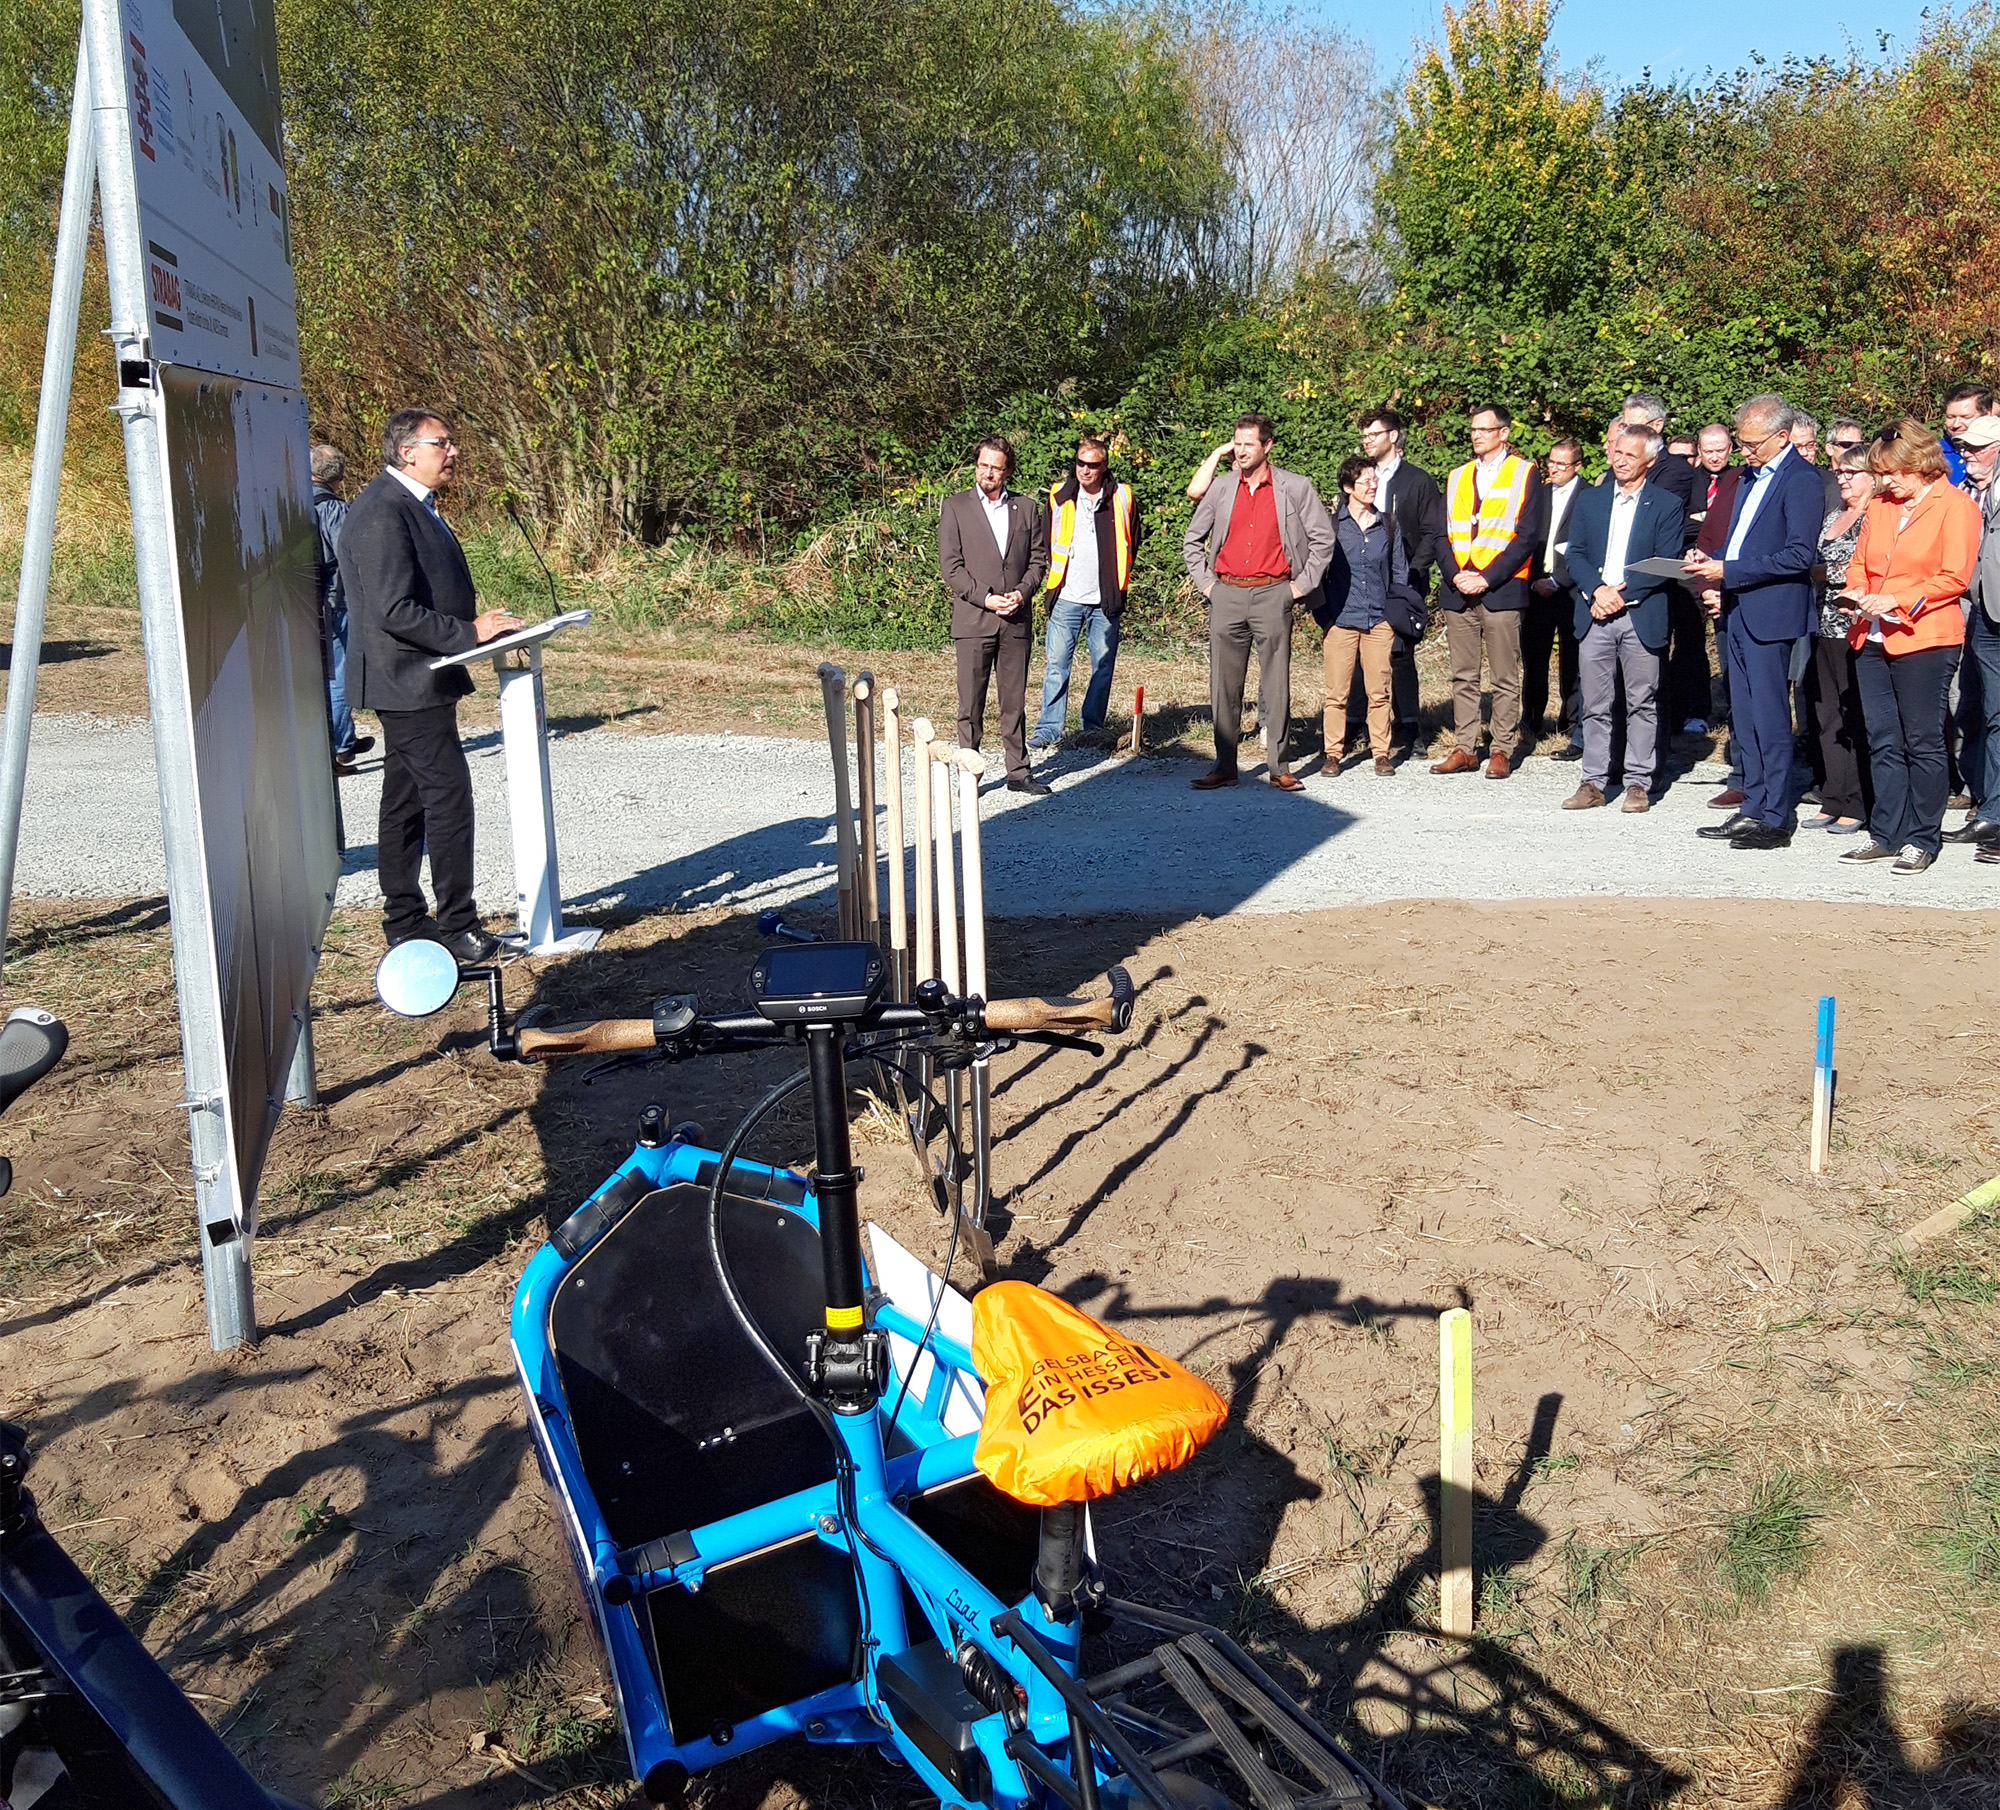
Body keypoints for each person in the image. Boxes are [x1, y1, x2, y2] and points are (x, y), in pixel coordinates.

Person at [339, 408, 524, 964]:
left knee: (407, 799)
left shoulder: (411, 504)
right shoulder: (381, 512)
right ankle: (457, 926)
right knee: (446, 795)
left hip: (423, 677)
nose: (454, 452)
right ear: (407, 452)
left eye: (452, 442)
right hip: (404, 680)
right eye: (442, 443)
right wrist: (469, 633)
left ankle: (403, 918)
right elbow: (393, 609)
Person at [1833, 419, 1980, 874]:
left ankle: (1922, 837)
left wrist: (1895, 597)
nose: (1885, 480)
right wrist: (1856, 592)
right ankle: (1885, 832)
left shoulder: (1955, 507)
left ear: (1920, 463)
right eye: (1880, 472)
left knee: (1922, 741)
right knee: (1882, 740)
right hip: (1871, 633)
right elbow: (1859, 562)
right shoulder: (1879, 506)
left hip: (1925, 636)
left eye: (1893, 471)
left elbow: (1953, 577)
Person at [1685, 394, 1825, 849]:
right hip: (1737, 607)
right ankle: (1753, 806)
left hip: (1772, 612)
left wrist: (1728, 571)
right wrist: (1712, 563)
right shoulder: (1746, 477)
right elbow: (1741, 541)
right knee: (1744, 716)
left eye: (1752, 444)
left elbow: (1799, 555)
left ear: (1782, 437)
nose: (1744, 452)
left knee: (1769, 716)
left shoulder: (1801, 480)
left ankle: (1776, 816)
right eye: (1741, 443)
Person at [1182, 413, 1336, 791]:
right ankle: (1225, 764)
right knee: (1224, 685)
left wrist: (1298, 588)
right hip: (1226, 593)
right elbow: (1191, 541)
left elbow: (1323, 540)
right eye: (1237, 442)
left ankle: (1279, 766)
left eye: (1249, 443)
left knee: (1276, 682)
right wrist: (1208, 586)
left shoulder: (1295, 488)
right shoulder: (1220, 488)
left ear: (1267, 446)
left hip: (1274, 592)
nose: (1242, 449)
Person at [1559, 425, 1686, 812]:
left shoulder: (1666, 504)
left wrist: (1618, 594)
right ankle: (1593, 781)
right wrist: (1597, 590)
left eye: (1630, 455)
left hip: (1640, 615)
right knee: (1595, 703)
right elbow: (1574, 552)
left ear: (1650, 460)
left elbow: (1665, 563)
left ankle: (1638, 783)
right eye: (1616, 452)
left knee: (1641, 701)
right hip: (1594, 612)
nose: (1620, 460)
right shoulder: (1591, 500)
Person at [1433, 404, 1548, 779]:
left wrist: (1486, 577)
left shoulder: (1524, 473)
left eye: (1485, 429)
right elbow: (1441, 534)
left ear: (1504, 433)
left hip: (1501, 589)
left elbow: (1527, 535)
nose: (1477, 435)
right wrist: (1455, 575)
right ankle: (1465, 747)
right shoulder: (1457, 476)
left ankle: (1501, 747)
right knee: (1463, 676)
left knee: (1504, 676)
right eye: (1473, 429)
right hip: (1459, 590)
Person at [939, 436, 1052, 795]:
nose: (988, 473)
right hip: (974, 619)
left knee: (1014, 700)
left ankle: (1018, 772)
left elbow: (1038, 560)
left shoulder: (1027, 508)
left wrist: (1022, 592)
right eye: (983, 465)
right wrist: (986, 599)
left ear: (1008, 471)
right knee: (970, 702)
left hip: (1016, 620)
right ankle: (969, 774)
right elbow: (951, 567)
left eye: (996, 467)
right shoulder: (955, 507)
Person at [1032, 434, 1137, 752]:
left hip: (1105, 600)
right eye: (1081, 463)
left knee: (1102, 667)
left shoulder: (1122, 497)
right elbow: (1046, 539)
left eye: (1092, 465)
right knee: (1056, 664)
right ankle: (1048, 730)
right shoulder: (1058, 495)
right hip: (1066, 596)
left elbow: (1134, 538)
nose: (1085, 470)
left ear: (1104, 466)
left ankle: (1092, 728)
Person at [1349, 408, 1442, 754]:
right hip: (1362, 581)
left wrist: (1412, 574)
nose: (1367, 440)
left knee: (1400, 655)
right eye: (1364, 436)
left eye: (1373, 434)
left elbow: (1432, 532)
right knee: (1359, 652)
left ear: (1393, 435)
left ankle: (1409, 727)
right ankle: (1355, 725)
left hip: (1403, 581)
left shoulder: (1417, 481)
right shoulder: (1359, 477)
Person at [1314, 455, 1409, 776]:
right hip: (1340, 620)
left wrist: (1392, 616)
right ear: (1347, 487)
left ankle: (1381, 753)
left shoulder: (1389, 524)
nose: (1373, 485)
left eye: (1374, 479)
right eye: (1365, 481)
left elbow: (1400, 574)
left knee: (1379, 692)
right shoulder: (1331, 526)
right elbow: (1316, 573)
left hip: (1379, 621)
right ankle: (1332, 754)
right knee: (1336, 694)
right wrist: (1325, 618)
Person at [1801, 446, 1876, 835]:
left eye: (1852, 473)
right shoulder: (1834, 516)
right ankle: (1833, 796)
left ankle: (1859, 801)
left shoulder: (1875, 515)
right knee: (1825, 714)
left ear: (1872, 475)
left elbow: (1849, 570)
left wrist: (1811, 570)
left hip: (1853, 628)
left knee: (1853, 716)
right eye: (1841, 472)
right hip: (1820, 625)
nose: (1843, 478)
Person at [1941, 415, 2000, 855]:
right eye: (1963, 447)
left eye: (1977, 448)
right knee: (1988, 715)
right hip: (1982, 613)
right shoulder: (1969, 491)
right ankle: (1992, 813)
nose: (1967, 455)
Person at [310, 445, 374, 775]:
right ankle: (339, 749)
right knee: (340, 673)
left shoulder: (286, 500)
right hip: (333, 603)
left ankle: (344, 737)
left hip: (301, 601)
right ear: (339, 475)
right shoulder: (333, 509)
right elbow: (350, 556)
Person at [1672, 424, 1739, 735]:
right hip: (1692, 569)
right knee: (1690, 643)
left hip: (1730, 569)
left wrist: (1705, 521)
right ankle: (1693, 711)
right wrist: (1700, 532)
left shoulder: (1741, 478)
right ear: (1698, 452)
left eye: (1720, 450)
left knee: (1731, 642)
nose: (1714, 456)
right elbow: (1678, 522)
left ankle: (1735, 712)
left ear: (1730, 449)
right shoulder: (1687, 479)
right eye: (1708, 451)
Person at [1524, 437, 1584, 756]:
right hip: (1536, 587)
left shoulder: (1589, 496)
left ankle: (1571, 721)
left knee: (1572, 660)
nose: (1554, 468)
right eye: (1551, 461)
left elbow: (1588, 546)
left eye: (1562, 463)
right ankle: (1531, 719)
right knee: (1534, 658)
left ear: (1577, 465)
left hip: (1571, 590)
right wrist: (1534, 580)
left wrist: (1559, 580)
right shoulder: (1539, 494)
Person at [1622, 393, 1695, 516]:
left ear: (1657, 425)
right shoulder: (1621, 463)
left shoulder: (1677, 470)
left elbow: (1656, 513)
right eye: (1625, 427)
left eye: (1634, 427)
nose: (1627, 433)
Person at [1939, 382, 1995, 485]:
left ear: (1987, 415)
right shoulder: (1933, 453)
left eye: (1966, 417)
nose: (1956, 424)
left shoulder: (1995, 451)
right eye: (1951, 417)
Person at [1790, 412, 1842, 512]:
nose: (1805, 453)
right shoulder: (1773, 483)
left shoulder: (1832, 486)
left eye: (1810, 446)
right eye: (1797, 447)